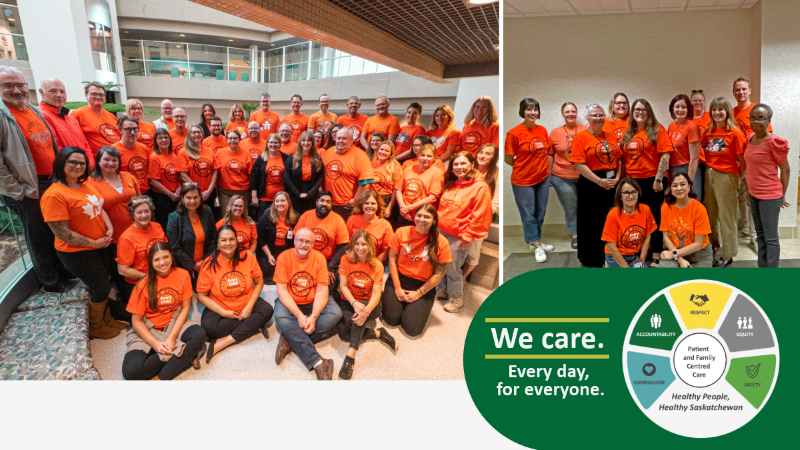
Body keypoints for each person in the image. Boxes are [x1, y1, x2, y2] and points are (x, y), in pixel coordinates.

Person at [41, 147, 126, 339]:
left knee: (104, 281)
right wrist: (93, 243)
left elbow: (98, 207)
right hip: (76, 251)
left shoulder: (85, 183)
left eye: (81, 163)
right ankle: (96, 326)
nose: (78, 166)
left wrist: (109, 227)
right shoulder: (54, 195)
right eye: (73, 162)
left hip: (99, 244)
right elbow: (62, 233)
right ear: (61, 164)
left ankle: (106, 318)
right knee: (101, 286)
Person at [0, 66, 70, 293]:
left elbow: (48, 144)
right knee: (38, 236)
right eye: (8, 85)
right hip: (29, 187)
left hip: (51, 180)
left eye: (20, 84)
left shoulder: (31, 110)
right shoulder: (3, 116)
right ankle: (50, 281)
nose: (17, 90)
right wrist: (17, 190)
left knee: (55, 228)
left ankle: (63, 271)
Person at [122, 243, 207, 380]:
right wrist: (155, 343)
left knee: (199, 334)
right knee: (131, 372)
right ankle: (187, 355)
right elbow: (136, 322)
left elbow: (185, 308)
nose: (162, 262)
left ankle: (161, 378)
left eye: (166, 257)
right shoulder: (143, 284)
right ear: (151, 262)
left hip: (174, 323)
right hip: (150, 329)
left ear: (172, 256)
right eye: (156, 259)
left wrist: (172, 337)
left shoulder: (183, 275)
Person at [273, 227, 342, 380]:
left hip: (313, 301)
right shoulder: (284, 257)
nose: (303, 245)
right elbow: (282, 291)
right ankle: (318, 362)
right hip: (291, 301)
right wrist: (298, 315)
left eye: (308, 242)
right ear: (294, 241)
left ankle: (290, 338)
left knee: (335, 313)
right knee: (279, 315)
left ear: (313, 244)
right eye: (300, 240)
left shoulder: (320, 258)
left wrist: (314, 317)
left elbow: (322, 291)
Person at [197, 225, 272, 363]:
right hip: (221, 306)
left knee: (268, 310)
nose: (228, 243)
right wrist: (223, 312)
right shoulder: (208, 263)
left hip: (246, 302)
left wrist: (249, 307)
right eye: (223, 240)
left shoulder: (248, 256)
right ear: (218, 244)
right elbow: (201, 296)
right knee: (208, 328)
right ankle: (254, 325)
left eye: (232, 239)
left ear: (237, 242)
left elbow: (259, 283)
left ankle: (224, 342)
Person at [436, 151, 492, 312]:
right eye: (456, 164)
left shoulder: (480, 187)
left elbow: (481, 214)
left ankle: (456, 298)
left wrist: (468, 236)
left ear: (472, 164)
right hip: (442, 231)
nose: (459, 167)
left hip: (460, 235)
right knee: (441, 263)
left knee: (453, 267)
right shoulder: (451, 182)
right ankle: (444, 290)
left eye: (463, 163)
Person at [336, 231, 396, 380]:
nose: (360, 247)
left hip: (370, 305)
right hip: (350, 301)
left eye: (363, 244)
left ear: (370, 246)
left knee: (358, 317)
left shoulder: (377, 265)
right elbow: (343, 286)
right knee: (344, 333)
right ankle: (378, 333)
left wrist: (365, 311)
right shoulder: (345, 259)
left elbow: (376, 294)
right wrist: (354, 303)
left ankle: (350, 356)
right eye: (356, 244)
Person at [383, 204, 451, 336]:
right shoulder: (401, 232)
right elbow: (392, 260)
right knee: (391, 320)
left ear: (434, 220)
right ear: (414, 217)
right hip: (399, 278)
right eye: (419, 215)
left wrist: (419, 293)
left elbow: (439, 273)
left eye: (427, 217)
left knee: (412, 329)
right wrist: (397, 287)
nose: (422, 219)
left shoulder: (441, 242)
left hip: (423, 284)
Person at [620, 99, 672, 266]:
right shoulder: (628, 133)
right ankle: (641, 250)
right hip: (633, 181)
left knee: (653, 217)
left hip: (652, 180)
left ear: (648, 112)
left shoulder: (657, 130)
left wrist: (658, 180)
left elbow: (665, 156)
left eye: (643, 109)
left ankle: (656, 252)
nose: (640, 112)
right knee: (637, 217)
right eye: (636, 109)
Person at [570, 104, 623, 268]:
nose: (599, 118)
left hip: (612, 181)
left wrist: (618, 179)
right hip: (591, 182)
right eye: (594, 115)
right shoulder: (581, 137)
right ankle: (593, 259)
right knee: (592, 222)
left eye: (601, 115)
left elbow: (619, 160)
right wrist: (599, 181)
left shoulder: (611, 136)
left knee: (610, 220)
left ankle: (611, 255)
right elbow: (578, 164)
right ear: (588, 118)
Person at [88, 145, 141, 298]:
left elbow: (139, 199)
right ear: (98, 161)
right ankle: (127, 299)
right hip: (112, 236)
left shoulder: (128, 176)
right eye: (106, 160)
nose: (110, 163)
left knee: (138, 264)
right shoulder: (91, 182)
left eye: (114, 160)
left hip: (135, 231)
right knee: (120, 271)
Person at [505, 98, 553, 262]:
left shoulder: (543, 130)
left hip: (543, 177)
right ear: (522, 112)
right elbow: (508, 158)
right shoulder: (514, 133)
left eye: (535, 109)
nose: (533, 113)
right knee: (529, 214)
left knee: (540, 212)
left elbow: (545, 153)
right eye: (529, 109)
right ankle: (536, 244)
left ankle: (535, 240)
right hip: (523, 181)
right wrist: (525, 166)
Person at [744, 104, 790, 267]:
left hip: (770, 196)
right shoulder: (749, 138)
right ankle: (763, 269)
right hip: (754, 195)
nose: (756, 121)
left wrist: (782, 194)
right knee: (760, 235)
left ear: (769, 120)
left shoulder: (774, 142)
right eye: (753, 118)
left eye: (761, 118)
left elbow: (785, 170)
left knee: (770, 238)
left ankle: (771, 275)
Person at [702, 97, 746, 268]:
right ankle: (714, 246)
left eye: (721, 109)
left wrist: (737, 181)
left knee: (727, 217)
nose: (717, 112)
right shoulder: (708, 132)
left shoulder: (734, 133)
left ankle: (729, 254)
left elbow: (744, 162)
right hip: (708, 175)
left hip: (726, 177)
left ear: (727, 111)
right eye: (714, 109)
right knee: (710, 215)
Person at [116, 196, 167, 321]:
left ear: (151, 212)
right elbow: (123, 270)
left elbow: (167, 251)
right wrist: (149, 277)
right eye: (139, 212)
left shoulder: (157, 226)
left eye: (146, 211)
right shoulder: (126, 238)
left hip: (160, 276)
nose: (143, 215)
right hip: (139, 281)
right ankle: (113, 305)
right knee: (148, 319)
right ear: (132, 215)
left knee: (168, 308)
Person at [732, 77, 767, 251]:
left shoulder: (756, 110)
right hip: (736, 164)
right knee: (740, 199)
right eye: (737, 89)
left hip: (753, 165)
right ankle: (744, 230)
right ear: (733, 92)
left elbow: (765, 138)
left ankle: (754, 237)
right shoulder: (731, 112)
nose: (741, 92)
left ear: (749, 90)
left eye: (744, 89)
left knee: (752, 200)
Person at [547, 103, 584, 249]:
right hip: (561, 177)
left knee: (586, 205)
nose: (570, 114)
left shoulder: (585, 130)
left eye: (573, 111)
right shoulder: (555, 133)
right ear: (563, 114)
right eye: (567, 111)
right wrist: (548, 174)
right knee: (571, 205)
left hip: (584, 176)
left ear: (576, 113)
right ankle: (575, 234)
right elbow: (550, 154)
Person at [659, 172, 713, 268]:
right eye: (674, 185)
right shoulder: (665, 208)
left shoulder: (699, 209)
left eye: (682, 184)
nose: (679, 188)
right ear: (670, 189)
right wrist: (679, 258)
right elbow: (666, 237)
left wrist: (674, 254)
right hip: (674, 249)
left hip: (699, 253)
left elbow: (698, 244)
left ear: (689, 186)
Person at [166, 183, 217, 285]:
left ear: (200, 198)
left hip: (206, 262)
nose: (192, 201)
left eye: (195, 197)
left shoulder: (207, 212)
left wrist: (204, 261)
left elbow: (214, 238)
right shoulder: (174, 218)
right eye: (188, 198)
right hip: (183, 266)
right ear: (182, 198)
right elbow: (174, 247)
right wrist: (193, 265)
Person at [294, 191, 350, 283]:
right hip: (306, 258)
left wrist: (330, 268)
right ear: (316, 202)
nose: (324, 204)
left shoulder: (338, 220)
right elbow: (295, 239)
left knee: (326, 287)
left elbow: (343, 248)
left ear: (332, 205)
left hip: (327, 262)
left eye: (328, 202)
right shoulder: (306, 215)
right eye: (322, 200)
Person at [601, 179, 657, 268]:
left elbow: (647, 236)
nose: (631, 196)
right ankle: (607, 264)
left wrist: (641, 260)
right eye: (626, 193)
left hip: (634, 255)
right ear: (620, 196)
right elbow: (611, 247)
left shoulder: (645, 210)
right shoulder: (613, 214)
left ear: (638, 193)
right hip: (615, 256)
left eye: (634, 192)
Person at [322, 127, 374, 221]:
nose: (340, 141)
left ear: (352, 140)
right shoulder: (330, 151)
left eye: (344, 138)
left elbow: (366, 182)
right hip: (328, 202)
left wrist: (355, 201)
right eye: (338, 138)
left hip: (346, 206)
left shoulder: (360, 156)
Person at [397, 143, 444, 228]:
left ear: (434, 158)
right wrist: (403, 207)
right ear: (418, 156)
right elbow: (398, 189)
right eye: (422, 155)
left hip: (423, 215)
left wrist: (409, 208)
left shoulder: (437, 173)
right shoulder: (408, 170)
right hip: (404, 214)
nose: (425, 158)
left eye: (429, 156)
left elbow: (432, 197)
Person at [37, 77, 91, 151]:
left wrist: (90, 162)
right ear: (41, 92)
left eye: (62, 92)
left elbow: (86, 145)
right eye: (53, 91)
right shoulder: (41, 116)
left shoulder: (71, 118)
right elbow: (56, 148)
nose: (59, 95)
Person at [667, 94, 704, 201]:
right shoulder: (671, 126)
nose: (680, 110)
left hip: (688, 169)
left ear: (688, 109)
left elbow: (694, 158)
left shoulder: (692, 126)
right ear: (672, 109)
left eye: (684, 107)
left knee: (692, 201)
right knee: (677, 203)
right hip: (674, 169)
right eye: (677, 106)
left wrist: (689, 181)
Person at [71, 82, 120, 161]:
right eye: (94, 94)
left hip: (114, 162)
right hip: (94, 163)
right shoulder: (78, 114)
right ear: (86, 95)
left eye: (101, 95)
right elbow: (73, 140)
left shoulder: (112, 116)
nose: (98, 97)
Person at [256, 190, 297, 283]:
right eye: (277, 201)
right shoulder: (266, 216)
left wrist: (286, 256)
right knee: (267, 272)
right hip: (269, 250)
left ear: (288, 202)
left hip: (286, 250)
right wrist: (269, 255)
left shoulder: (296, 217)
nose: (280, 203)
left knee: (288, 273)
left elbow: (296, 240)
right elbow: (261, 238)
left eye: (283, 201)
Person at [178, 124, 218, 213]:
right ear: (189, 135)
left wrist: (209, 190)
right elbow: (184, 176)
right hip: (192, 193)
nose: (197, 134)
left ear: (202, 134)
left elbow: (215, 171)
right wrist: (198, 192)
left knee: (209, 218)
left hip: (209, 192)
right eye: (194, 132)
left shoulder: (209, 151)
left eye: (199, 132)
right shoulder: (183, 152)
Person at [284, 130, 325, 214]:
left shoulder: (317, 158)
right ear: (300, 142)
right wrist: (298, 193)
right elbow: (286, 176)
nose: (306, 143)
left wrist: (312, 192)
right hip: (294, 196)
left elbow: (321, 175)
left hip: (312, 196)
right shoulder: (292, 157)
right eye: (303, 140)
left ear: (313, 142)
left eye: (309, 140)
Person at [148, 128, 182, 229]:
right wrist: (169, 194)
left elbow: (179, 176)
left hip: (176, 195)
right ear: (156, 141)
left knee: (177, 223)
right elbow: (153, 181)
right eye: (160, 138)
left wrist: (179, 188)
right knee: (165, 224)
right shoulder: (154, 157)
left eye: (166, 137)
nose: (163, 140)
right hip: (162, 197)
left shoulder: (174, 156)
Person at [346, 190, 393, 262]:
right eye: (366, 203)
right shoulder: (352, 220)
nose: (369, 206)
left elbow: (385, 250)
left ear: (378, 206)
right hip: (354, 261)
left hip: (374, 263)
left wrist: (375, 265)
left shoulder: (385, 225)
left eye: (373, 203)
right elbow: (346, 244)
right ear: (362, 205)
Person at [214, 129, 253, 214]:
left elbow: (250, 174)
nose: (232, 140)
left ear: (239, 139)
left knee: (242, 216)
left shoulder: (246, 154)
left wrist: (252, 192)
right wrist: (216, 194)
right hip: (225, 192)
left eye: (235, 138)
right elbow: (216, 174)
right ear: (226, 140)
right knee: (226, 216)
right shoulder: (220, 153)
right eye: (230, 138)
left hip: (243, 191)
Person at [251, 132, 289, 219]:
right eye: (271, 142)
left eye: (276, 142)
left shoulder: (286, 158)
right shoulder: (261, 159)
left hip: (282, 199)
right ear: (267, 144)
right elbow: (254, 179)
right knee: (263, 222)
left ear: (279, 144)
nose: (273, 144)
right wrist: (254, 196)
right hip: (264, 198)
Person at [112, 115, 151, 195]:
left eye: (135, 129)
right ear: (120, 130)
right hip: (126, 194)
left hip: (146, 193)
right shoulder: (113, 151)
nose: (133, 133)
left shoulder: (143, 148)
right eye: (128, 129)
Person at [367, 140, 401, 226]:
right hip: (370, 197)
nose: (383, 152)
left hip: (386, 200)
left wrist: (389, 208)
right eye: (381, 149)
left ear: (390, 154)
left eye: (387, 151)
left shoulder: (395, 168)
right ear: (377, 150)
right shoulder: (369, 164)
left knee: (381, 226)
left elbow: (396, 190)